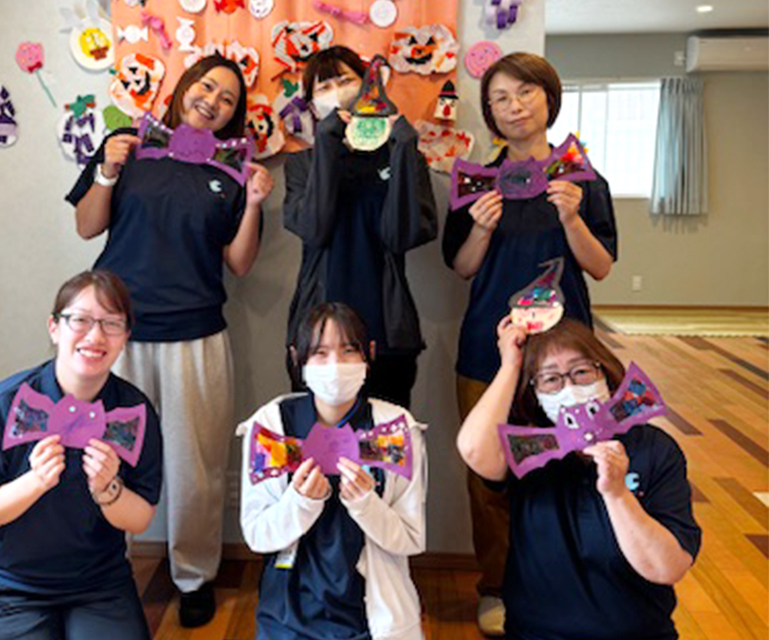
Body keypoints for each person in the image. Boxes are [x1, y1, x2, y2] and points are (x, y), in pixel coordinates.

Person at [66, 54, 274, 626]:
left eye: (228, 98)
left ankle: (194, 576)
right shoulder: (128, 145)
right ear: (184, 87)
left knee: (194, 468)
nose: (212, 101)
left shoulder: (234, 170)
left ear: (234, 115)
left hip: (195, 335)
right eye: (206, 86)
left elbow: (240, 263)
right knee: (102, 455)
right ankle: (105, 570)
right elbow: (86, 226)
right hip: (115, 334)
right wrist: (107, 171)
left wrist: (255, 204)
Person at [441, 52, 618, 634]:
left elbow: (601, 267)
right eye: (500, 98)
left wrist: (572, 220)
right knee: (488, 475)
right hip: (487, 349)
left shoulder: (582, 178)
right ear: (489, 113)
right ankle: (496, 586)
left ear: (549, 97)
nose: (514, 106)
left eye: (525, 92)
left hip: (566, 357)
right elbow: (462, 268)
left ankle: (568, 584)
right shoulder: (476, 181)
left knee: (571, 466)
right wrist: (482, 226)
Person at [456, 316, 700, 640]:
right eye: (550, 379)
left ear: (605, 373)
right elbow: (473, 448)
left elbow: (667, 567)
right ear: (535, 393)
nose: (569, 388)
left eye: (582, 371)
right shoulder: (530, 451)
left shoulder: (654, 448)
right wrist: (510, 364)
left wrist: (618, 494)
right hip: (537, 634)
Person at [0, 270, 163, 640]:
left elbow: (141, 518)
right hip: (8, 584)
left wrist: (108, 490)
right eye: (80, 320)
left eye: (111, 323)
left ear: (125, 337)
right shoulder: (2, 407)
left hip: (98, 582)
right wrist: (35, 482)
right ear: (54, 328)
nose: (95, 336)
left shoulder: (132, 412)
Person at [239, 302, 428, 640]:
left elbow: (410, 538)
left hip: (371, 617)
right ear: (297, 358)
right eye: (320, 353)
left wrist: (366, 504)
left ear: (369, 354)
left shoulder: (393, 429)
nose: (335, 365)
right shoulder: (273, 426)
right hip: (288, 614)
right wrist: (300, 502)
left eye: (348, 350)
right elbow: (258, 535)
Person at [284, 45, 438, 409]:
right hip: (318, 336)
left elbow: (401, 236)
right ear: (311, 103)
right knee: (317, 435)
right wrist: (326, 145)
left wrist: (402, 152)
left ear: (370, 87)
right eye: (324, 87)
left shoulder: (401, 152)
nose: (337, 92)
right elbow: (314, 229)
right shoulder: (302, 164)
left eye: (345, 80)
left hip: (387, 330)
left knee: (387, 435)